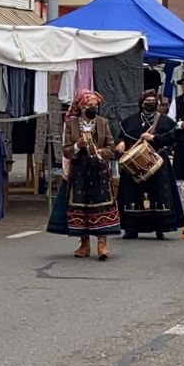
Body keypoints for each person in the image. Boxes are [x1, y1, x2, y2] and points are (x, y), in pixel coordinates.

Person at [49, 89, 122, 258]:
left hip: (99, 170)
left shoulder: (102, 123)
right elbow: (66, 150)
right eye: (90, 105)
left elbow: (111, 148)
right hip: (80, 170)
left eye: (95, 105)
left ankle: (102, 245)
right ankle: (84, 244)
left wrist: (99, 151)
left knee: (102, 205)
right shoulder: (72, 125)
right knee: (81, 206)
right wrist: (77, 145)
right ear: (82, 107)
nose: (93, 108)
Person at [117, 89, 184, 239]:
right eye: (147, 102)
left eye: (153, 101)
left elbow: (173, 137)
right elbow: (122, 136)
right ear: (141, 104)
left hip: (158, 161)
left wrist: (154, 138)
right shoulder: (130, 121)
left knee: (159, 193)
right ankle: (131, 228)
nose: (150, 104)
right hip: (135, 164)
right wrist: (121, 143)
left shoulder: (166, 121)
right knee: (132, 194)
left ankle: (161, 227)